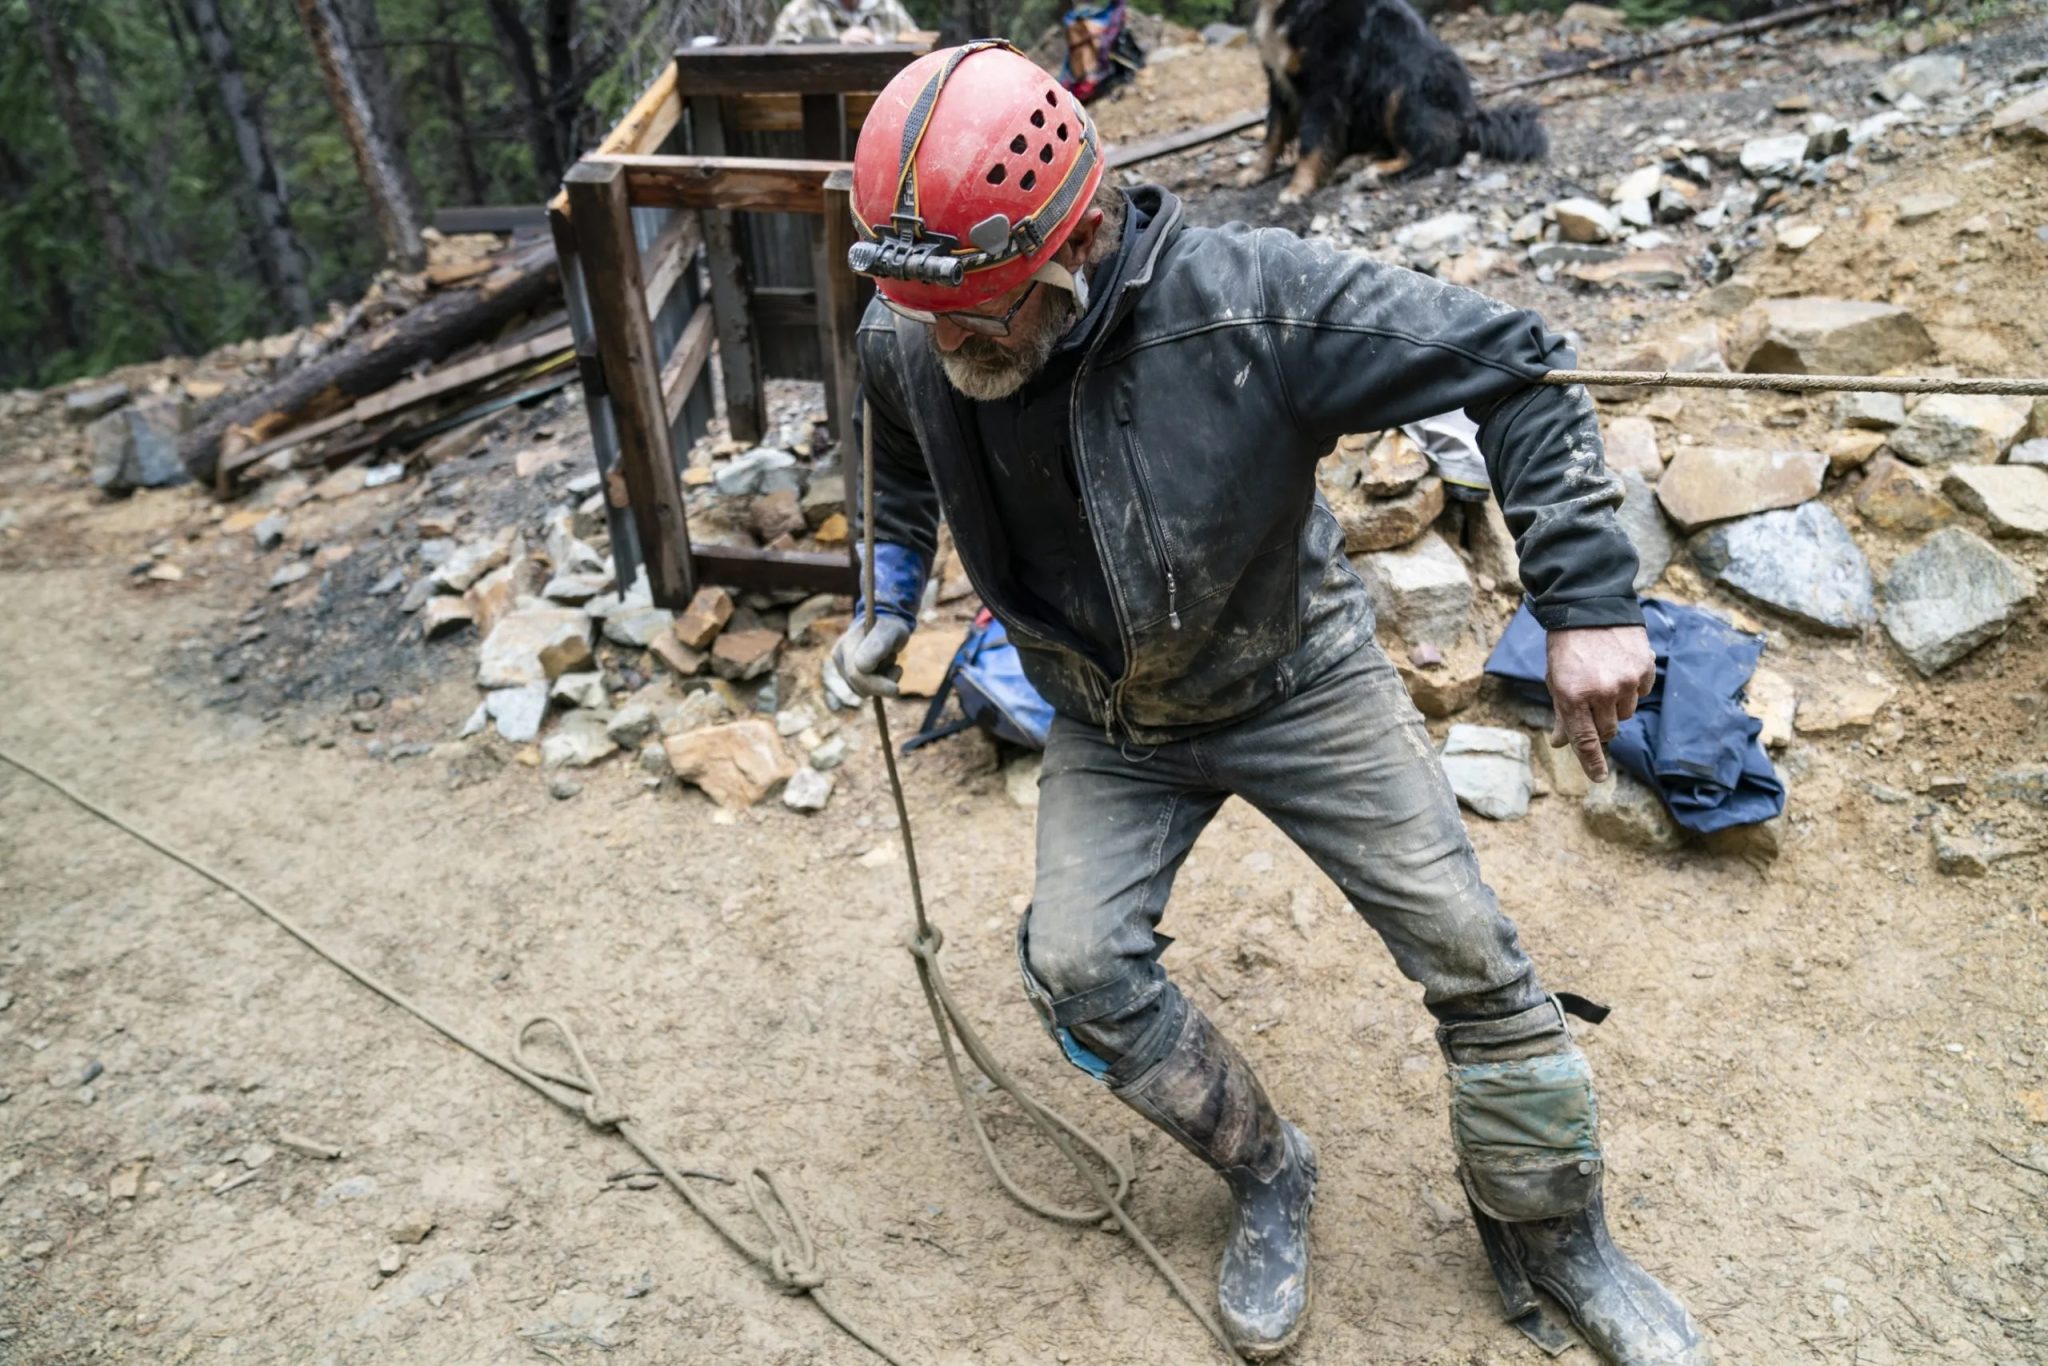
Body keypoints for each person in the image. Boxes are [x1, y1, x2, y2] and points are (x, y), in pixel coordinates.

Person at [829, 40, 1711, 1365]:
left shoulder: (1252, 305)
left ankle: (1560, 1237)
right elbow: (898, 456)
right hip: (1108, 714)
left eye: (978, 318)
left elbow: (1521, 368)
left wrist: (1588, 601)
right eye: (923, 314)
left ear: (1067, 252)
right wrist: (888, 599)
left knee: (1472, 955)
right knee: (1080, 968)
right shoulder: (917, 320)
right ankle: (1269, 1170)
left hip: (1296, 676)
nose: (946, 344)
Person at [768, 0, 917, 44]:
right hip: (820, 111)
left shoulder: (889, 8)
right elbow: (778, 45)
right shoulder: (802, 9)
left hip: (885, 107)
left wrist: (878, 43)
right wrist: (836, 42)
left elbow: (921, 48)